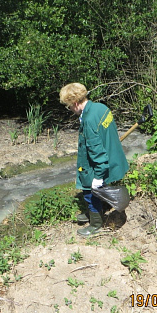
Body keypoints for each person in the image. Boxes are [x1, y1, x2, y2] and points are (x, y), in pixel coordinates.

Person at [59, 82, 129, 236]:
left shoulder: (89, 120)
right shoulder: (101, 108)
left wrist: (98, 176)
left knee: (90, 191)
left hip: (98, 163)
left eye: (69, 106)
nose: (70, 109)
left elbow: (96, 152)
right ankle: (95, 212)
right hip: (110, 156)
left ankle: (96, 224)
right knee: (98, 189)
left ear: (75, 103)